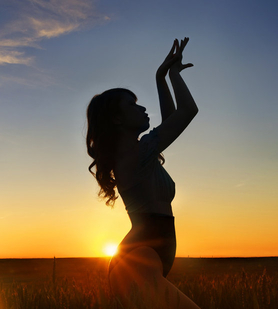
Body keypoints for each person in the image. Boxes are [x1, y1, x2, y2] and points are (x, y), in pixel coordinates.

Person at [86, 38, 201, 308]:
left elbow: (171, 118)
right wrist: (172, 74)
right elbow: (186, 111)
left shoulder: (141, 153)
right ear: (117, 119)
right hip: (136, 264)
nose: (142, 108)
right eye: (132, 105)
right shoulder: (132, 156)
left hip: (145, 259)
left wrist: (161, 77)